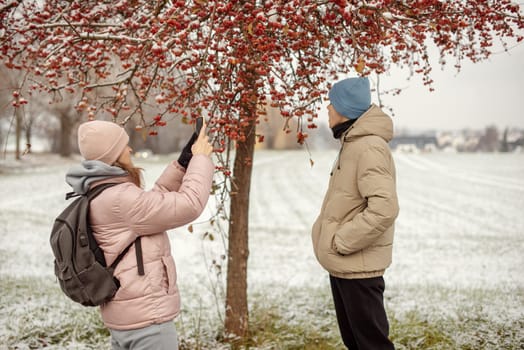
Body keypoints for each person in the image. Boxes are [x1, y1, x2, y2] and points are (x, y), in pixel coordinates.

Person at [65, 119, 214, 349]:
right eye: (124, 145)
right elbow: (189, 204)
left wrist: (183, 164)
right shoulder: (120, 198)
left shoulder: (101, 191)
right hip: (148, 325)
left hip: (126, 317)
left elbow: (154, 202)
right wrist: (202, 158)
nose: (130, 149)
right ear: (112, 154)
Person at [311, 77, 399, 350]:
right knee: (356, 343)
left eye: (332, 104)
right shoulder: (353, 144)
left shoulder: (368, 147)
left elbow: (385, 208)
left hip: (358, 265)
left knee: (371, 345)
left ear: (345, 108)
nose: (327, 109)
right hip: (346, 265)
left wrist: (343, 241)